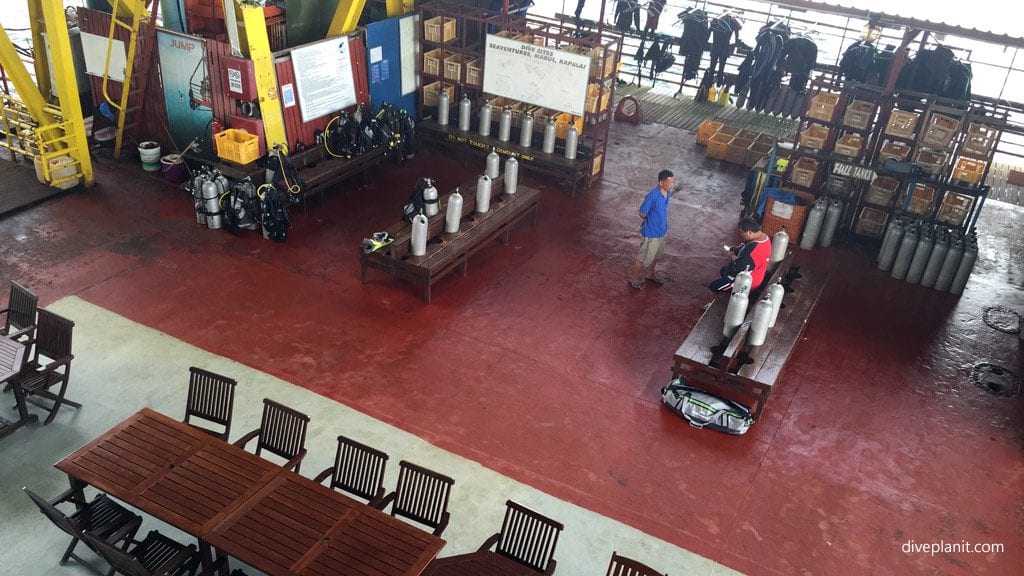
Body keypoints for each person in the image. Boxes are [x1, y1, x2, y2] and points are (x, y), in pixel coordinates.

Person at [628, 170, 675, 290]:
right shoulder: (652, 196)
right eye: (669, 183)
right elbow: (642, 213)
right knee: (642, 257)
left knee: (657, 255)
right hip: (651, 232)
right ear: (661, 183)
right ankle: (633, 279)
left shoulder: (667, 193)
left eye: (672, 182)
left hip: (662, 231)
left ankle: (650, 274)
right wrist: (651, 220)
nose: (671, 185)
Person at [708, 217, 772, 293]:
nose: (741, 234)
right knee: (724, 270)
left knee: (713, 287)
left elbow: (740, 266)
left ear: (749, 232)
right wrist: (736, 248)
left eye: (742, 232)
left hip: (746, 282)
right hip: (757, 273)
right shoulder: (762, 236)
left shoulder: (753, 251)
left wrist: (731, 255)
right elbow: (745, 245)